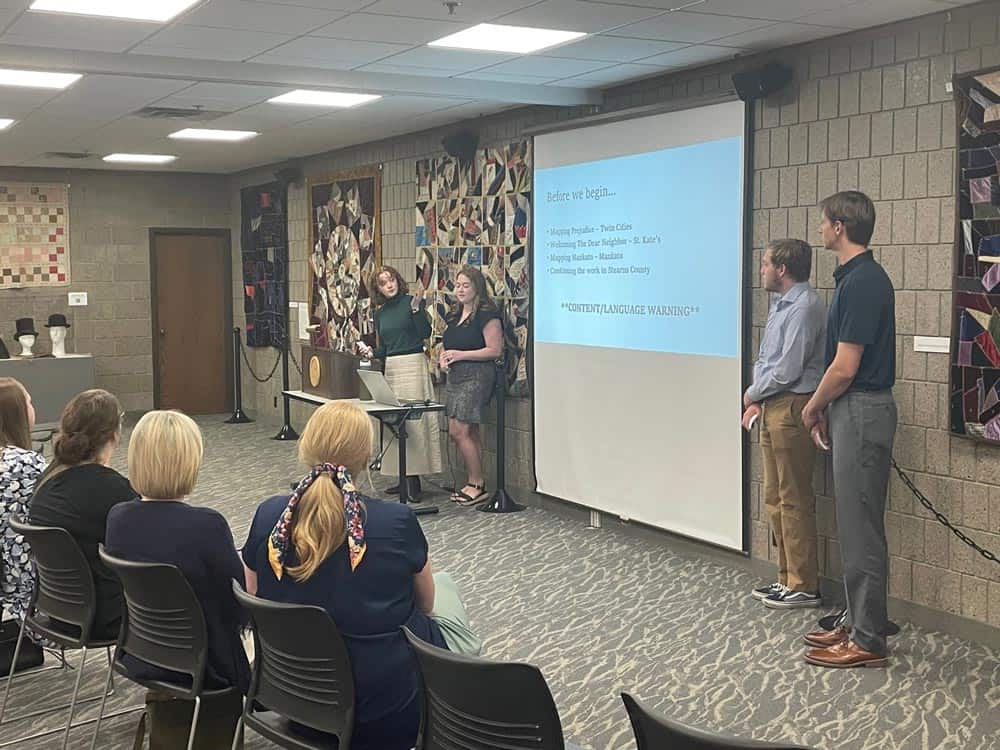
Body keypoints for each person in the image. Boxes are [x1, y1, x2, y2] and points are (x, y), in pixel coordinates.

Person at [242, 401, 477, 750]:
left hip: (293, 699)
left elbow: (255, 599)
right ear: (365, 455)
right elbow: (426, 606)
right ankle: (463, 704)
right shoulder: (395, 522)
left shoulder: (270, 517)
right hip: (386, 712)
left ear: (306, 444)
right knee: (444, 590)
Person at [800, 191, 896, 669]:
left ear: (839, 227)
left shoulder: (862, 282)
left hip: (860, 408)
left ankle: (868, 640)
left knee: (860, 531)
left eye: (823, 223)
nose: (819, 230)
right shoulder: (855, 279)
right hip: (854, 410)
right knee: (855, 526)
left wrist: (812, 407)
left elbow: (844, 367)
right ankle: (859, 623)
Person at [105, 410, 249, 693]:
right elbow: (238, 606)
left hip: (143, 650)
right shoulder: (207, 525)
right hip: (208, 664)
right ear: (190, 462)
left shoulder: (118, 517)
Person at [743, 239, 826, 609]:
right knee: (774, 497)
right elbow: (768, 359)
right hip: (773, 404)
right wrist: (758, 396)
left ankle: (804, 583)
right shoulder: (781, 305)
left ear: (782, 269)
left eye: (765, 264)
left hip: (792, 406)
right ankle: (786, 577)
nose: (761, 270)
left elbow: (789, 368)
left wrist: (751, 393)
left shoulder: (805, 307)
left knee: (794, 499)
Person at [30, 389, 137, 641]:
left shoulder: (46, 480)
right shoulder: (113, 490)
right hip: (105, 618)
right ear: (114, 434)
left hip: (57, 611)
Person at [357, 265, 442, 498]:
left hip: (413, 364)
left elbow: (424, 333)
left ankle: (414, 482)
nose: (389, 285)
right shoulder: (381, 313)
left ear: (398, 280)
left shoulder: (410, 302)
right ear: (378, 289)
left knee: (413, 424)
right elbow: (385, 347)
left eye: (391, 280)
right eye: (383, 283)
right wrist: (372, 353)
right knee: (393, 423)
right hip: (392, 368)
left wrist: (416, 310)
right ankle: (401, 475)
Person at [440, 265, 503, 505]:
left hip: (477, 376)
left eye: (466, 285)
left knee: (459, 431)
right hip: (456, 376)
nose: (461, 289)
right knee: (468, 432)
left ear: (477, 287)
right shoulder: (455, 314)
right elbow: (449, 344)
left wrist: (460, 355)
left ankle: (477, 483)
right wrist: (444, 356)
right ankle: (474, 480)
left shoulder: (487, 314)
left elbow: (494, 350)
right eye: (457, 285)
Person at [0, 378, 46, 626]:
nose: (33, 406)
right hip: (22, 578)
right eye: (29, 401)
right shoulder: (29, 464)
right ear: (16, 413)